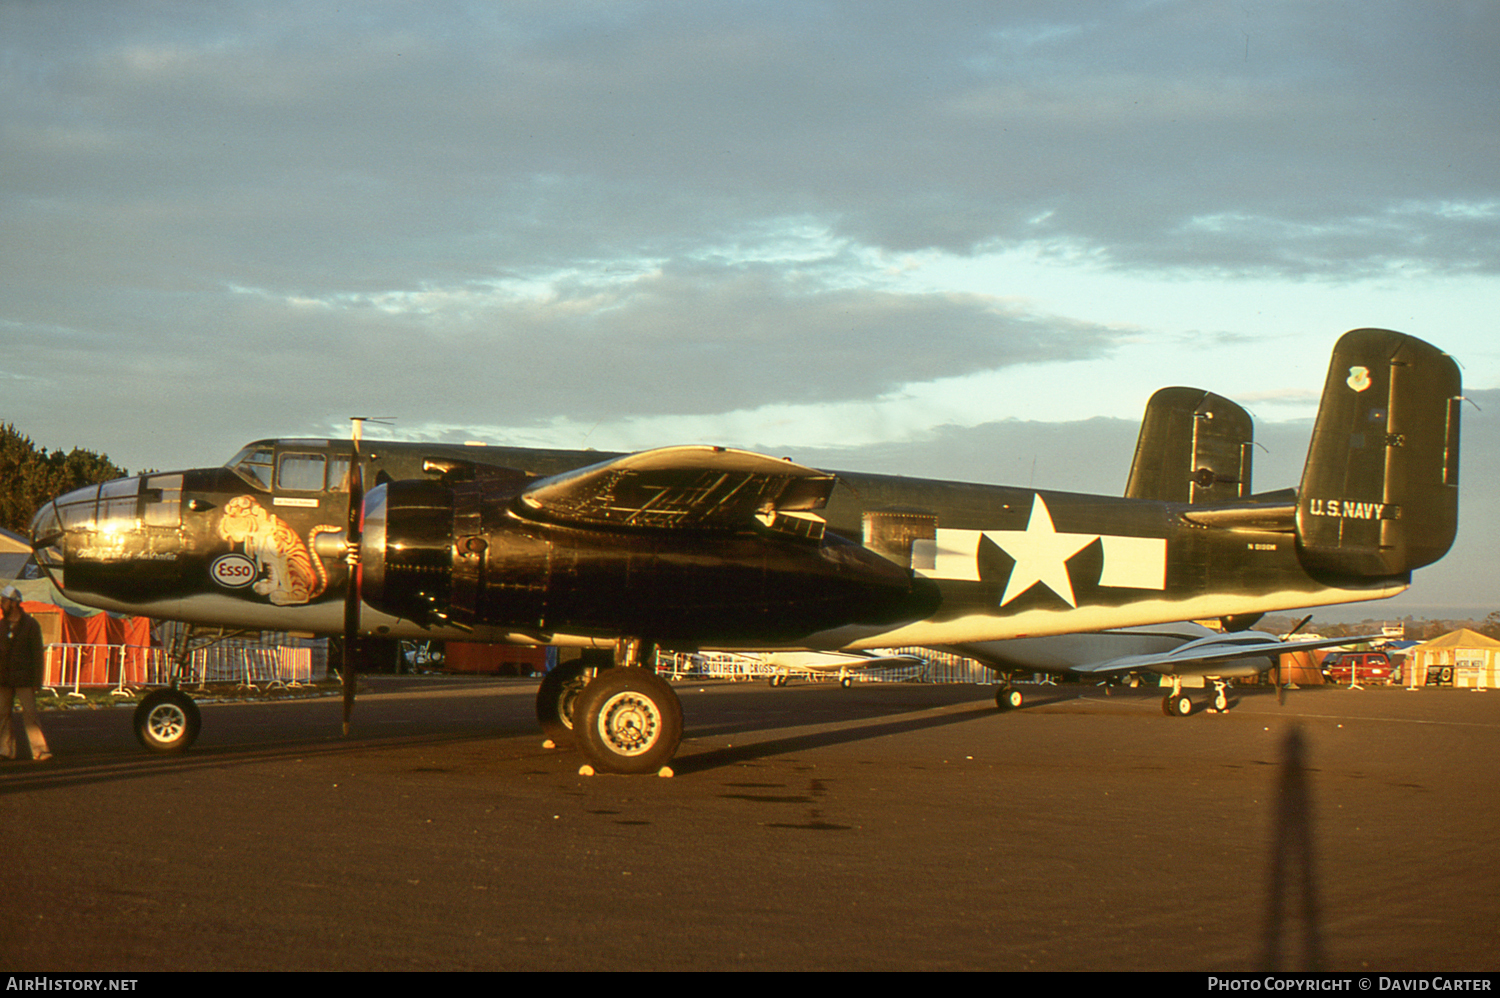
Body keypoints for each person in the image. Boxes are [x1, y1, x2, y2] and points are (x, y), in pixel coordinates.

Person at [0, 585, 52, 761]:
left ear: (14, 603)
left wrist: (37, 680)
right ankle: (5, 750)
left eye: (4, 601)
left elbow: (37, 654)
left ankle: (40, 751)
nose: (2, 604)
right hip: (4, 678)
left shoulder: (30, 625)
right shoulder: (1, 625)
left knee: (30, 715)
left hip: (25, 678)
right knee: (2, 714)